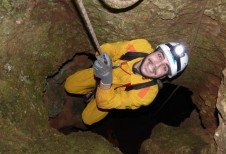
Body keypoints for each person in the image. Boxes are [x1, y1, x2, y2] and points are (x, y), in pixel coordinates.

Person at [51, 39, 189, 130]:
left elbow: (106, 103)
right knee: (69, 85)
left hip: (110, 96)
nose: (155, 66)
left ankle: (95, 95)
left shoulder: (146, 94)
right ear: (153, 51)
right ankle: (91, 91)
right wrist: (104, 58)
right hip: (101, 73)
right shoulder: (140, 46)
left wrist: (105, 82)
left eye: (164, 68)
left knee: (87, 119)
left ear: (164, 76)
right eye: (160, 56)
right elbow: (110, 49)